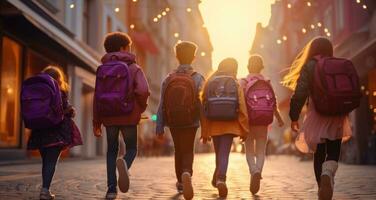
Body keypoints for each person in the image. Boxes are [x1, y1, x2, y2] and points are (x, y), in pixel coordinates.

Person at [282, 37, 352, 200]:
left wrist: (294, 116)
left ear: (312, 50)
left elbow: (300, 93)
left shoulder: (310, 65)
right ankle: (328, 173)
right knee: (334, 150)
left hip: (317, 112)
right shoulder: (337, 63)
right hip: (337, 113)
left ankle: (322, 186)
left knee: (319, 152)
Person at [93, 32, 150, 199]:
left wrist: (96, 121)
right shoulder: (133, 67)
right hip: (128, 115)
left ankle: (111, 189)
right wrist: (140, 108)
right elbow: (143, 90)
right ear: (122, 48)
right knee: (132, 148)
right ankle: (124, 164)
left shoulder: (102, 69)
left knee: (111, 151)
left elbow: (97, 96)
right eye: (128, 46)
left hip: (108, 116)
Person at [156, 41, 205, 200]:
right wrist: (206, 128)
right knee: (189, 149)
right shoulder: (198, 78)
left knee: (178, 149)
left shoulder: (169, 78)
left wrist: (160, 126)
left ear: (176, 56)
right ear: (194, 57)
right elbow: (203, 105)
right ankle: (187, 173)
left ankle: (180, 181)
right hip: (191, 120)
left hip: (173, 120)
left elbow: (162, 103)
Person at [26, 66, 82, 200]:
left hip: (39, 132)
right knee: (51, 162)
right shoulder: (59, 92)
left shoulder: (38, 91)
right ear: (58, 79)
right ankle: (45, 191)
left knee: (46, 161)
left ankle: (45, 189)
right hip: (55, 133)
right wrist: (71, 110)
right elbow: (65, 110)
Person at [200, 58, 249, 198]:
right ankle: (221, 178)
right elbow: (242, 107)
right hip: (230, 125)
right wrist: (244, 129)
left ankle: (217, 178)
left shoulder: (210, 82)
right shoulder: (235, 82)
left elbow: (203, 108)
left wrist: (204, 131)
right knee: (224, 154)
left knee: (218, 153)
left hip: (214, 124)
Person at [240, 55, 284, 195]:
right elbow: (273, 103)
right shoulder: (267, 82)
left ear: (248, 67)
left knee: (249, 150)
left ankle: (253, 170)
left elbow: (239, 103)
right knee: (260, 150)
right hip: (263, 123)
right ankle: (258, 170)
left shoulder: (243, 82)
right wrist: (279, 118)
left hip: (248, 122)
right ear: (262, 68)